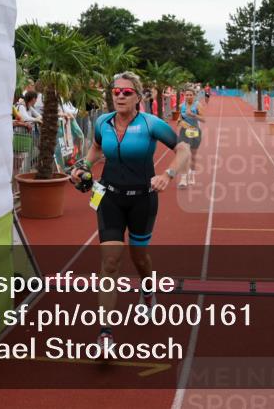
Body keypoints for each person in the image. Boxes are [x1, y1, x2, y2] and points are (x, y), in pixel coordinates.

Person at [69, 72, 190, 352]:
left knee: (139, 257)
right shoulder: (102, 122)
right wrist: (83, 167)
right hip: (109, 197)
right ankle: (105, 333)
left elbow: (182, 149)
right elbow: (97, 148)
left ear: (138, 96)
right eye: (115, 91)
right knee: (110, 263)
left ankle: (148, 290)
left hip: (142, 201)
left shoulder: (151, 124)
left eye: (126, 92)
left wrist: (168, 175)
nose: (119, 96)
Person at [176, 88, 205, 188]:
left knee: (192, 155)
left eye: (190, 95)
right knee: (184, 155)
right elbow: (180, 118)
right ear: (184, 95)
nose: (188, 96)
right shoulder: (181, 106)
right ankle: (183, 179)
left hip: (195, 131)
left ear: (194, 95)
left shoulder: (197, 105)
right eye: (186, 95)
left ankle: (192, 175)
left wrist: (193, 115)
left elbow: (203, 119)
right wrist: (179, 121)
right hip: (184, 132)